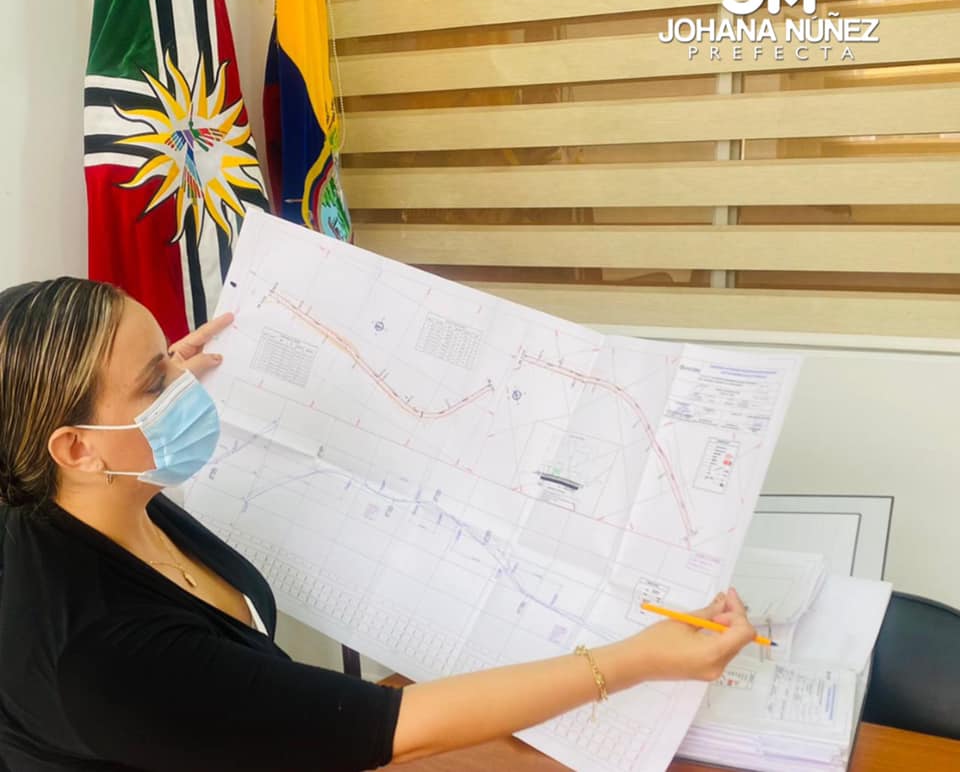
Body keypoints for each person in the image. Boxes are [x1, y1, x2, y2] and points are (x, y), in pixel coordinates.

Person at [0, 277, 756, 772]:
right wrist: (634, 661)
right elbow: (393, 726)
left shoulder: (83, 490)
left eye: (170, 353)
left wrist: (163, 386)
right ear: (76, 448)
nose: (183, 375)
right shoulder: (105, 654)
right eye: (155, 380)